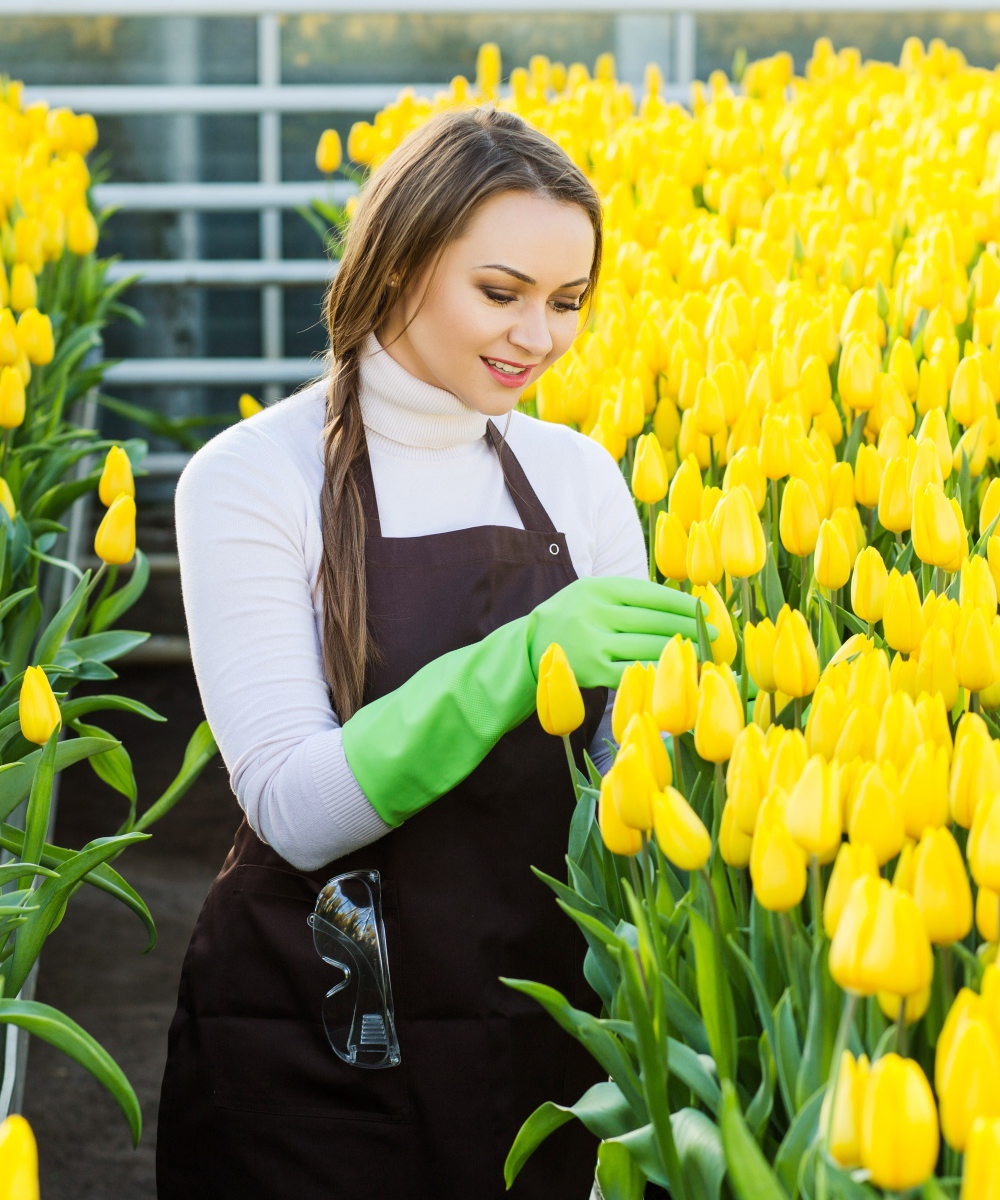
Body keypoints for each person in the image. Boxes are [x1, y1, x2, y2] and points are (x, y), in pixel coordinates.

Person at [157, 107, 700, 1199]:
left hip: (533, 1025)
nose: (536, 338)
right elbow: (294, 807)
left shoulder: (576, 477)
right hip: (316, 1032)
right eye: (499, 294)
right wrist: (519, 659)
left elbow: (622, 788)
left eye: (566, 303)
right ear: (398, 263)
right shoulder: (250, 478)